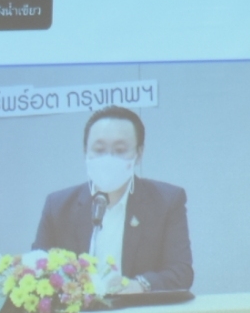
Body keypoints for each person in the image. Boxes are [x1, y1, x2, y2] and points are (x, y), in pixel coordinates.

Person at [31, 105, 192, 293]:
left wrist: (139, 286)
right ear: (85, 151)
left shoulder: (166, 201)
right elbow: (37, 269)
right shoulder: (58, 206)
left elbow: (181, 272)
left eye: (120, 149)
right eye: (99, 149)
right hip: (79, 310)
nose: (108, 158)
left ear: (139, 154)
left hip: (138, 309)